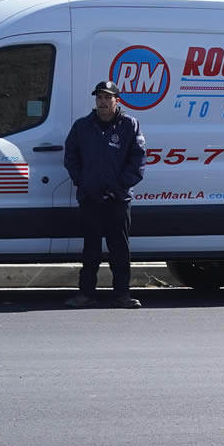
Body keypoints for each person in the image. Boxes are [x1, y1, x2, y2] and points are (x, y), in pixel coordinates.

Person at [62, 81, 146, 309]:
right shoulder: (82, 126)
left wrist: (118, 188)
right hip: (90, 198)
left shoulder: (130, 125)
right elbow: (71, 157)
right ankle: (85, 294)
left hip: (118, 200)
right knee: (90, 250)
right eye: (99, 98)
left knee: (119, 250)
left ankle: (122, 294)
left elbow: (137, 161)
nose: (102, 102)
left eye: (107, 98)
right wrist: (82, 181)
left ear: (117, 101)